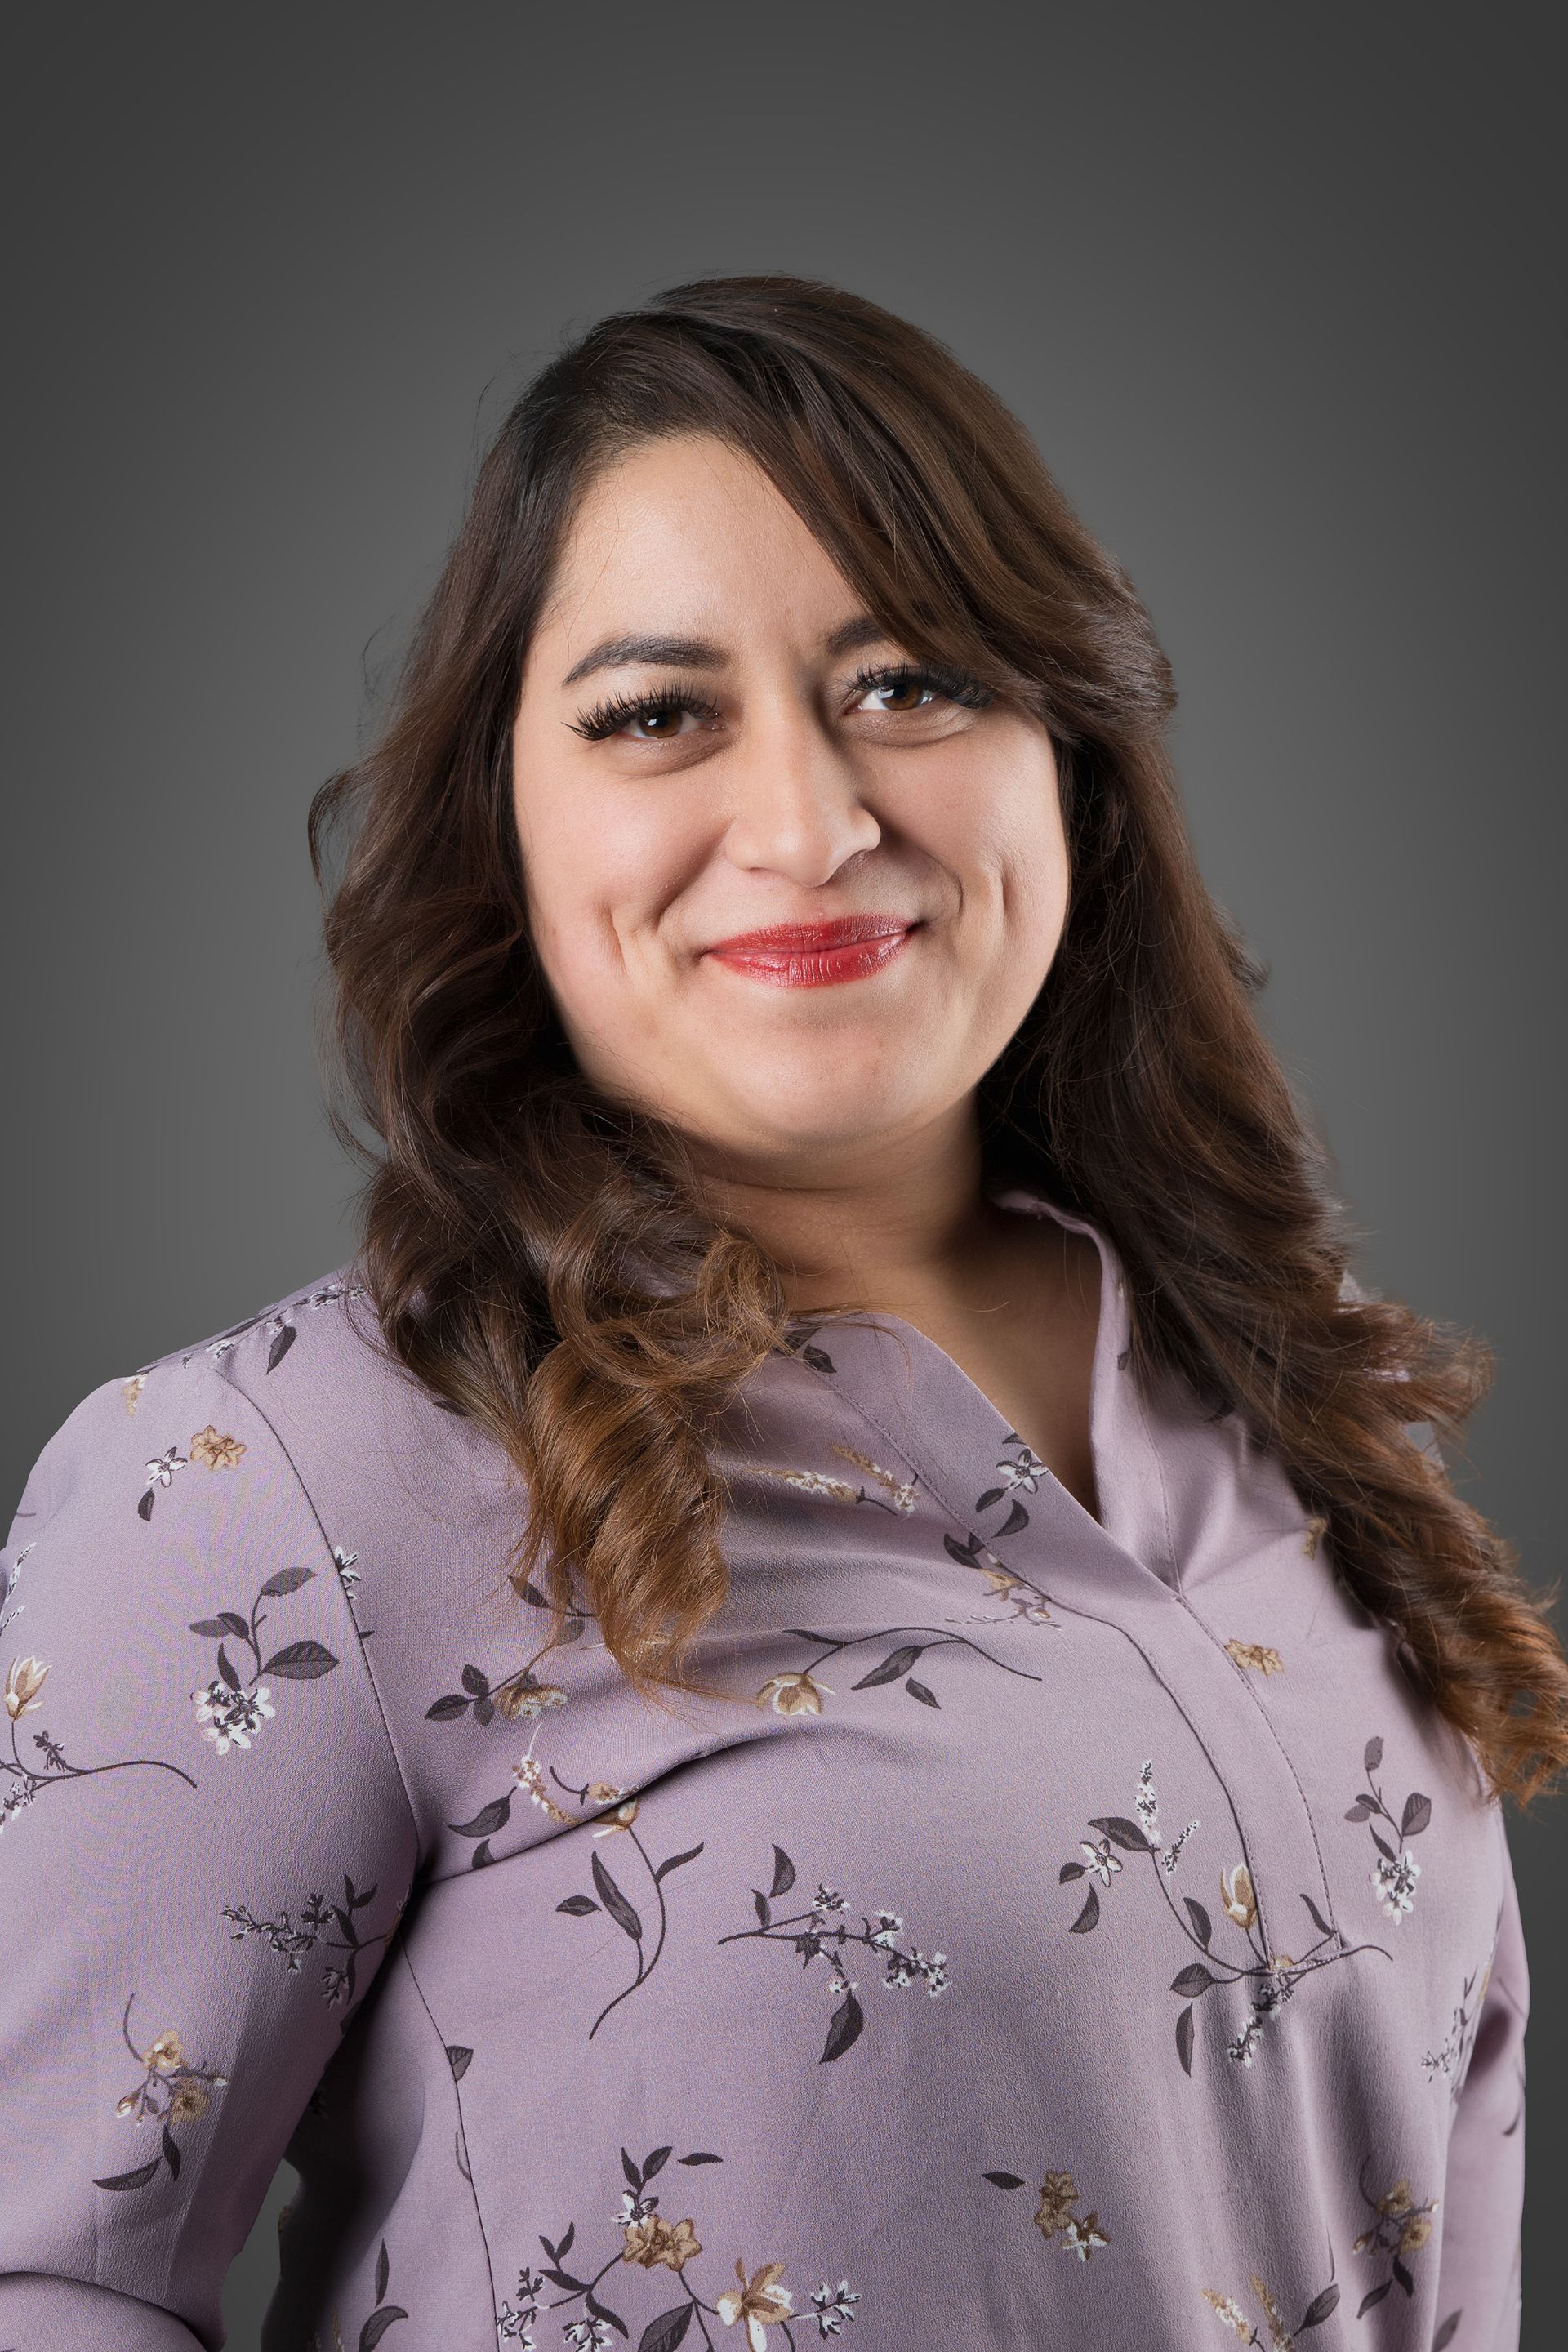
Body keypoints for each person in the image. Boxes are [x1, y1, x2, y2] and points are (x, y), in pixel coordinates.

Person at [1, 275, 1559, 2352]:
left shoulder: (1296, 1397)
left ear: (1068, 755)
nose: (816, 824)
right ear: (505, 828)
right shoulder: (277, 1489)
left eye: (911, 682)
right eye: (659, 715)